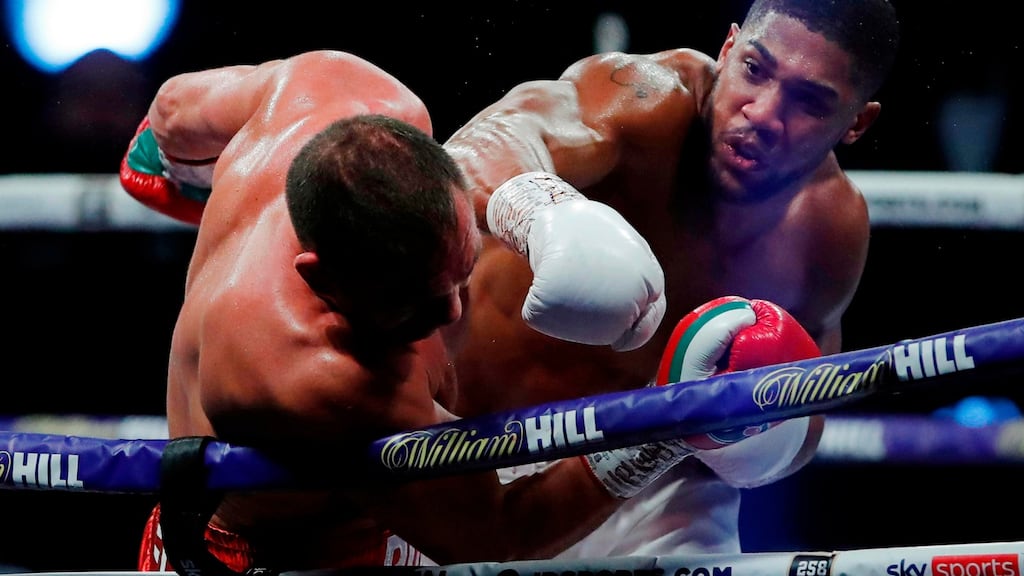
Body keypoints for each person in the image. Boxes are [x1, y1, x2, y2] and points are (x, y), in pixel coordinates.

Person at [117, 49, 719, 572]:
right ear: (319, 278)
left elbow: (170, 109)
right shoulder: (322, 379)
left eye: (460, 273)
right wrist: (664, 427)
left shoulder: (337, 87)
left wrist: (530, 211)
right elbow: (500, 532)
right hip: (273, 558)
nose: (452, 310)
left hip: (383, 513)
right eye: (413, 306)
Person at [442, 0, 899, 557]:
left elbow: (805, 415)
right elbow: (479, 146)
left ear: (857, 121)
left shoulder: (826, 229)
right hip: (473, 439)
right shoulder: (647, 100)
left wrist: (766, 443)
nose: (762, 113)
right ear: (727, 49)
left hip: (647, 486)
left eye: (809, 101)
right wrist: (542, 211)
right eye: (755, 70)